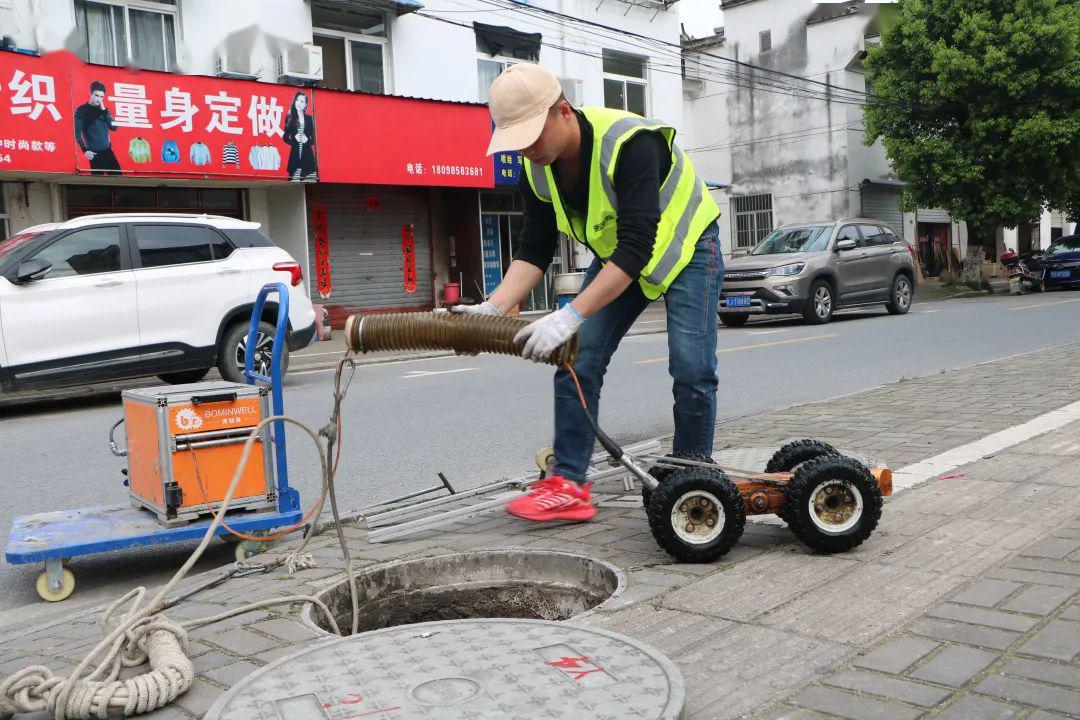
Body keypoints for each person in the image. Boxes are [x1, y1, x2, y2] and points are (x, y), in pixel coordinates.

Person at [456, 63, 722, 523]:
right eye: (516, 140)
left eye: (532, 135)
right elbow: (534, 251)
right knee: (578, 360)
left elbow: (638, 248)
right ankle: (569, 484)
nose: (527, 149)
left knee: (691, 366)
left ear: (563, 111)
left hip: (688, 247)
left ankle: (692, 473)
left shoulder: (631, 144)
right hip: (621, 255)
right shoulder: (535, 167)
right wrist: (492, 309)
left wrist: (568, 315)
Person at [74, 81, 121, 175]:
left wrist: (104, 110)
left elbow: (114, 127)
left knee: (119, 179)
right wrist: (85, 150)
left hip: (108, 152)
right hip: (94, 155)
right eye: (96, 95)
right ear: (91, 94)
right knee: (97, 183)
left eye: (101, 96)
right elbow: (77, 132)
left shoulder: (104, 110)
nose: (99, 99)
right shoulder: (81, 111)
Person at [283, 91, 317, 181]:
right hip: (294, 157)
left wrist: (307, 141)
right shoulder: (289, 118)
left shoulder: (309, 119)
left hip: (307, 158)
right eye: (297, 100)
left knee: (307, 183)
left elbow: (314, 140)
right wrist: (294, 139)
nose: (298, 103)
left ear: (306, 104)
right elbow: (285, 137)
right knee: (292, 182)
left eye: (302, 101)